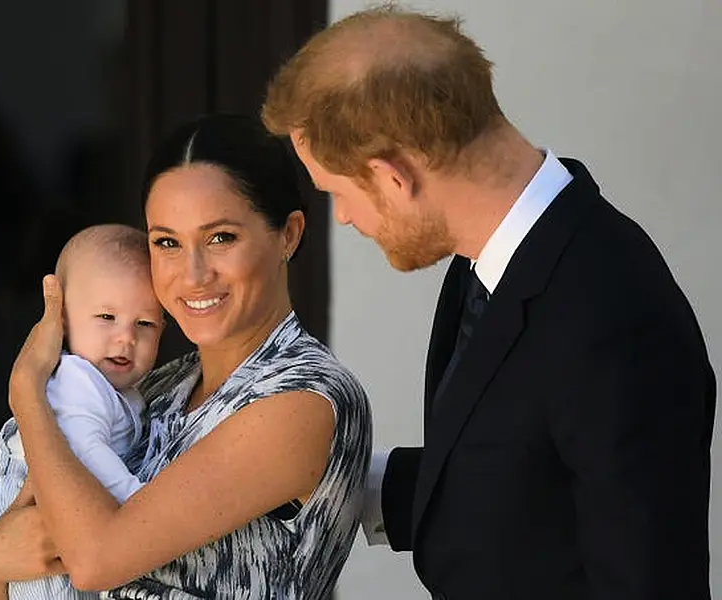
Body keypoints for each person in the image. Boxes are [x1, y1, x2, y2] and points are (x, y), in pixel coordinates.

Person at [261, 6, 716, 600]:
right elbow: (518, 479)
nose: (343, 217)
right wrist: (322, 475)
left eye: (338, 193)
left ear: (394, 176)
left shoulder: (614, 315)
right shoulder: (497, 256)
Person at [0, 113, 373, 600]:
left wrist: (26, 391)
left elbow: (95, 561)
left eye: (221, 237)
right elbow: (13, 569)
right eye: (167, 243)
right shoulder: (153, 389)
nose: (193, 274)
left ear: (288, 234)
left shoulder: (303, 398)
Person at [0, 223, 164, 600]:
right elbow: (86, 450)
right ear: (61, 321)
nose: (126, 337)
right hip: (32, 509)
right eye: (106, 317)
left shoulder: (122, 390)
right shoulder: (78, 380)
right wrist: (140, 506)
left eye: (144, 323)